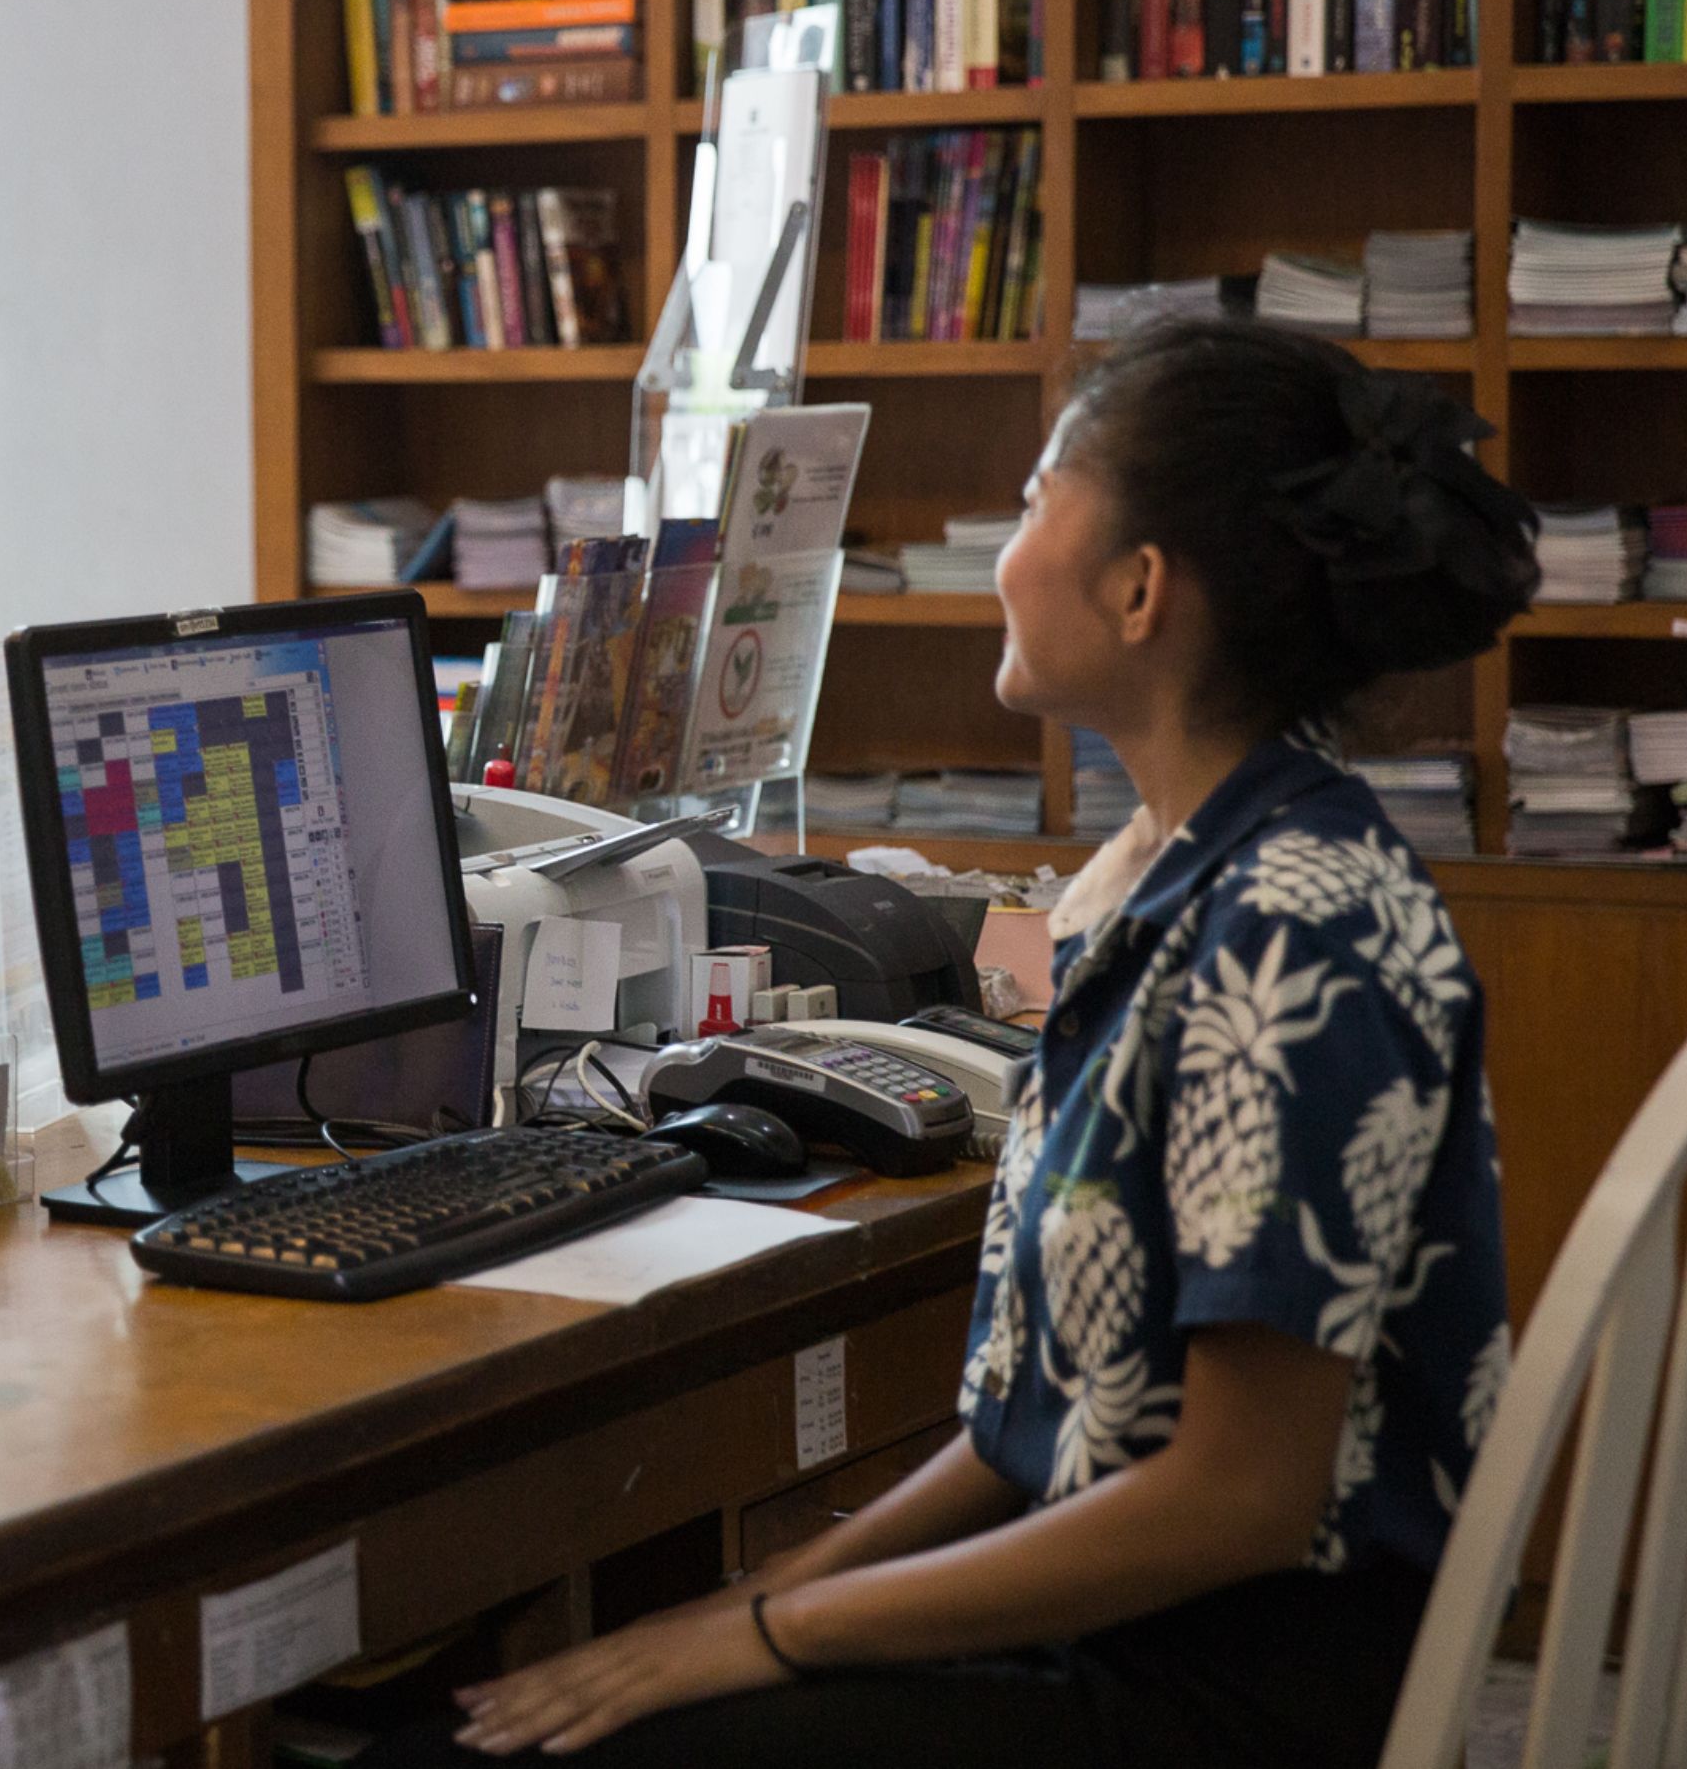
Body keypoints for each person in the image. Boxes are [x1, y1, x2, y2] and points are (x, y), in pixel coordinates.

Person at [367, 322, 1539, 1768]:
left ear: (1138, 587)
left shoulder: (1286, 934)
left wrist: (763, 1637)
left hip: (1213, 1693)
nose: (1002, 548)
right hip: (1130, 1630)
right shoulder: (1175, 867)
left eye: (1040, 500)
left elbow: (1241, 1494)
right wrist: (751, 1603)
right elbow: (1023, 1434)